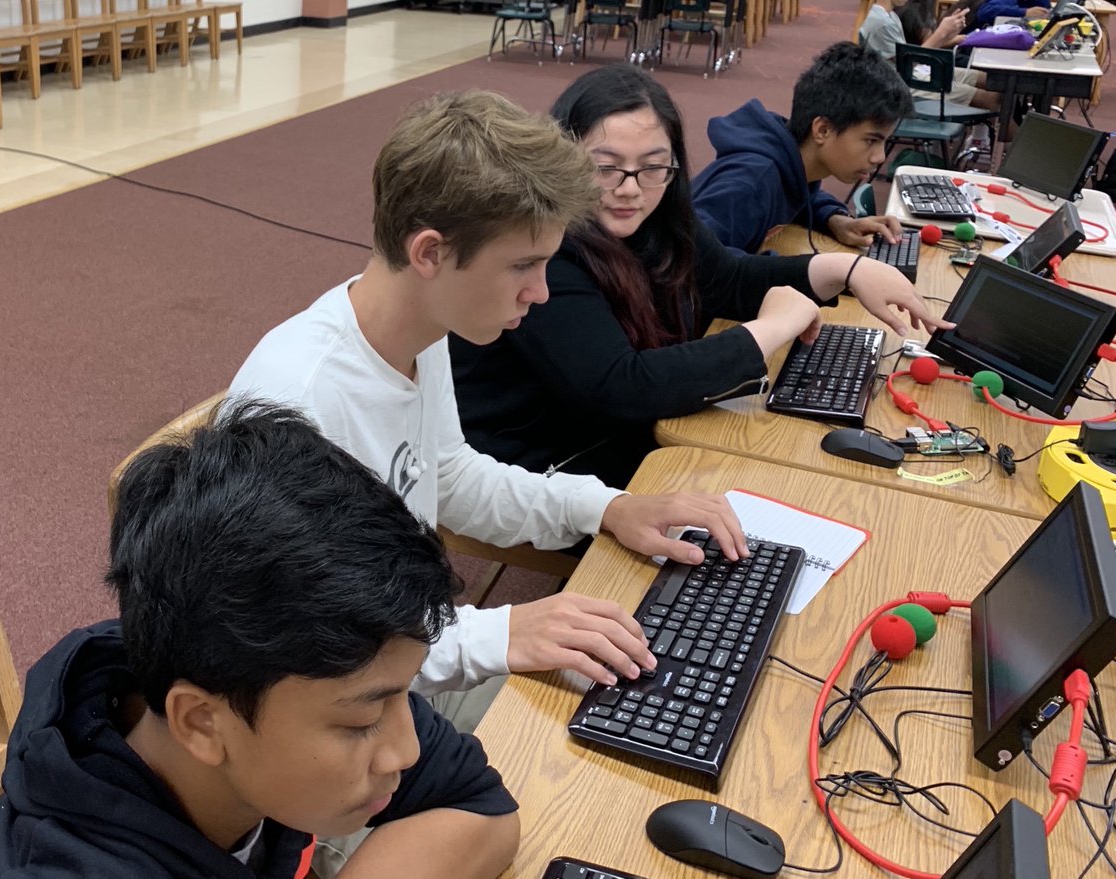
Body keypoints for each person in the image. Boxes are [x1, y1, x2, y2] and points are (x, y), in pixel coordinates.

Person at [229, 90, 749, 724]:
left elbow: (451, 476)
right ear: (429, 253)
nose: (541, 291)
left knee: (647, 688)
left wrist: (607, 507)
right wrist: (498, 635)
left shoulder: (423, 332)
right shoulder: (301, 401)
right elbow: (316, 651)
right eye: (523, 266)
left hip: (406, 651)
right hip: (338, 716)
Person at [0, 401, 520, 879]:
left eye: (399, 695)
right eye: (361, 721)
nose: (408, 749)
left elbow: (481, 804)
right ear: (199, 723)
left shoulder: (249, 661)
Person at [448, 66, 951, 492]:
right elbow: (622, 387)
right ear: (561, 159)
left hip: (608, 424)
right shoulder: (544, 248)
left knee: (789, 461)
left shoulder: (659, 208)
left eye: (653, 167)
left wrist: (848, 268)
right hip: (546, 458)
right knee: (774, 483)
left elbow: (727, 277)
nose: (630, 190)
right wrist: (769, 330)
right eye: (604, 168)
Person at [692, 41, 914, 256]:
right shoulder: (751, 182)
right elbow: (690, 260)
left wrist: (835, 220)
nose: (880, 157)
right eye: (870, 140)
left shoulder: (792, 164)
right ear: (823, 130)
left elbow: (802, 194)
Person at [859, 0, 999, 110]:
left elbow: (908, 60)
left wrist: (947, 34)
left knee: (986, 79)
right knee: (989, 99)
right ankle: (1009, 144)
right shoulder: (881, 22)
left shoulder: (889, 15)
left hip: (907, 76)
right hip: (895, 88)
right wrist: (941, 34)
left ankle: (987, 138)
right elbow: (908, 65)